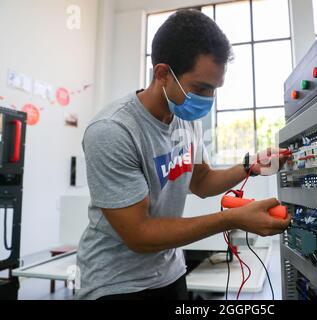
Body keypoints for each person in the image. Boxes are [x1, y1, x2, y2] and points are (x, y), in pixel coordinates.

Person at [76, 9, 292, 300]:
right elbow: (139, 234)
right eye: (201, 87)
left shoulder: (185, 119)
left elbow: (201, 182)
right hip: (117, 283)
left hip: (170, 272)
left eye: (215, 89)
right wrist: (232, 219)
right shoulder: (113, 130)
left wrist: (250, 165)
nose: (208, 99)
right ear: (163, 74)